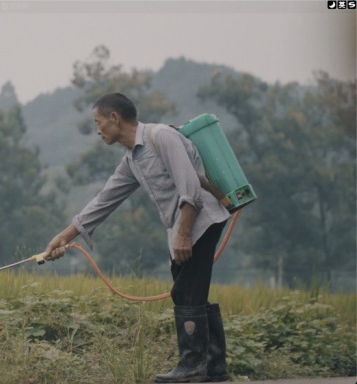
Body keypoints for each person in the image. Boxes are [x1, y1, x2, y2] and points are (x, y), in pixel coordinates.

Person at [43, 93, 231, 383]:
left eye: (98, 122)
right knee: (189, 291)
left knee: (186, 292)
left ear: (114, 118)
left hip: (201, 222)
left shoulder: (162, 137)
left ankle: (193, 367)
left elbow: (190, 188)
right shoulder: (132, 159)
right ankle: (214, 369)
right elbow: (104, 200)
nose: (97, 130)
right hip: (181, 229)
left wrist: (182, 233)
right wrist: (63, 237)